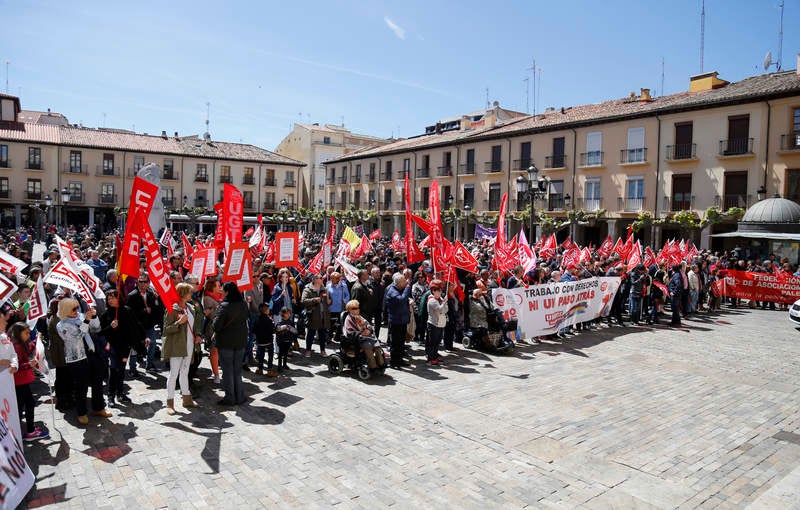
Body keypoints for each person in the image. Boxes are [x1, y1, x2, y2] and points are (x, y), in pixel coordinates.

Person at [55, 298, 111, 425]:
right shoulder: (61, 325)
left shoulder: (80, 316)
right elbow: (77, 336)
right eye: (73, 309)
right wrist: (86, 320)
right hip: (77, 358)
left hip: (91, 353)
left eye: (76, 307)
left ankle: (99, 408)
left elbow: (96, 328)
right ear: (65, 310)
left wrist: (94, 316)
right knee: (82, 386)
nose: (76, 311)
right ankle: (82, 412)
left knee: (97, 382)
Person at [162, 283, 203, 414]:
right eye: (189, 292)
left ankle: (187, 398)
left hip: (189, 345)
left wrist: (197, 335)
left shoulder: (190, 307)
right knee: (174, 374)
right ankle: (170, 402)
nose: (192, 294)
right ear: (183, 293)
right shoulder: (172, 309)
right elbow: (166, 330)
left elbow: (194, 325)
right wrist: (179, 322)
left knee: (185, 372)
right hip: (177, 346)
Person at [99, 289, 145, 407]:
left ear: (118, 298)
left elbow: (136, 325)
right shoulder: (106, 315)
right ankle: (110, 396)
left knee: (121, 370)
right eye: (108, 299)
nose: (110, 301)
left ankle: (120, 393)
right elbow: (100, 332)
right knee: (114, 370)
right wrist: (111, 326)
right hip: (113, 347)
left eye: (112, 298)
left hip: (125, 347)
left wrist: (144, 338)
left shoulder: (127, 310)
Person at [8, 323, 49, 441]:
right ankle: (26, 432)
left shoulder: (19, 344)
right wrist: (29, 364)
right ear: (18, 333)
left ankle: (26, 430)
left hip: (22, 381)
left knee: (26, 405)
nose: (28, 335)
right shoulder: (16, 346)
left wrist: (36, 340)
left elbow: (27, 350)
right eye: (26, 333)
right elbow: (16, 366)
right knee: (24, 406)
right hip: (19, 381)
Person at [213, 282, 249, 406]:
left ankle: (230, 397)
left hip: (226, 343)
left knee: (228, 371)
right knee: (237, 370)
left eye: (223, 289)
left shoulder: (224, 306)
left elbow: (216, 326)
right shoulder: (243, 304)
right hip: (240, 341)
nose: (221, 291)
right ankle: (239, 396)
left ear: (227, 292)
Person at [127, 275, 165, 373]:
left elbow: (156, 308)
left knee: (152, 344)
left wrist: (156, 299)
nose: (143, 284)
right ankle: (132, 368)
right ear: (137, 282)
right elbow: (129, 312)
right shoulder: (132, 295)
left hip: (149, 324)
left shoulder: (151, 293)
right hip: (137, 326)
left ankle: (149, 365)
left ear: (148, 283)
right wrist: (143, 311)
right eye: (141, 281)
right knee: (135, 347)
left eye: (145, 282)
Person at [343, 300, 385, 372]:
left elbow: (368, 325)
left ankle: (381, 364)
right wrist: (361, 333)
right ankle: (373, 366)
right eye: (354, 308)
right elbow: (349, 332)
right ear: (350, 310)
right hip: (358, 339)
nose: (357, 309)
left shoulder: (359, 317)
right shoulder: (348, 319)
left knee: (377, 346)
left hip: (367, 336)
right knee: (368, 345)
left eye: (357, 308)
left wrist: (368, 330)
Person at [384, 273, 412, 369]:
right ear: (399, 282)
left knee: (401, 342)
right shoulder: (392, 291)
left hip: (402, 320)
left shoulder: (400, 289)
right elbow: (401, 300)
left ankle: (399, 360)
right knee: (395, 343)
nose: (406, 282)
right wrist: (408, 288)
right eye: (404, 281)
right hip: (396, 321)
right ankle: (394, 361)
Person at [301, 274, 330, 357]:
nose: (321, 279)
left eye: (321, 278)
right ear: (313, 279)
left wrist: (328, 300)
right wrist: (314, 300)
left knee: (322, 334)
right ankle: (308, 350)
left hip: (323, 314)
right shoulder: (308, 289)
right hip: (312, 314)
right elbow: (303, 301)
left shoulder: (324, 289)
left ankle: (323, 350)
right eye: (319, 278)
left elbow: (328, 302)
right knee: (311, 333)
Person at [202, 279, 223, 384]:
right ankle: (216, 375)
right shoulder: (207, 298)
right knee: (214, 351)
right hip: (212, 327)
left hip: (222, 326)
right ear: (212, 287)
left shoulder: (220, 296)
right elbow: (209, 313)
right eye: (218, 285)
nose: (220, 287)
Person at [425, 280, 448, 365]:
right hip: (433, 324)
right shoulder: (432, 300)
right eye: (439, 290)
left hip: (440, 323)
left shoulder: (439, 299)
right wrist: (444, 302)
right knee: (432, 342)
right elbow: (440, 309)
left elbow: (445, 310)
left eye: (441, 290)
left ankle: (435, 356)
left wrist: (443, 304)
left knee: (437, 342)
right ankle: (430, 359)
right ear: (434, 291)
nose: (441, 292)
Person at [325, 272, 350, 344]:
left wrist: (344, 301)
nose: (331, 280)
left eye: (333, 278)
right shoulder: (328, 286)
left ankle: (337, 337)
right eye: (331, 278)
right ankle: (329, 337)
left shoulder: (343, 286)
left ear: (338, 279)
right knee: (330, 324)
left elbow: (347, 295)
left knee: (340, 324)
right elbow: (326, 296)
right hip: (331, 308)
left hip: (340, 308)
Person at [253, 302, 276, 376]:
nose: (269, 310)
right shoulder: (268, 320)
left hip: (260, 341)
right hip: (268, 341)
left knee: (261, 355)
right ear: (266, 310)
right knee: (270, 355)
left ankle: (260, 369)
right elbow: (272, 330)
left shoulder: (257, 319)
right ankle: (269, 370)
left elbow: (254, 330)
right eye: (268, 309)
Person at [275, 307, 297, 371]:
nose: (288, 314)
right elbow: (277, 330)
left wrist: (294, 340)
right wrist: (284, 328)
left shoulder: (291, 322)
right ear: (283, 314)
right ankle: (279, 366)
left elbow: (295, 331)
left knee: (286, 353)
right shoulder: (280, 322)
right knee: (281, 353)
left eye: (289, 313)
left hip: (288, 340)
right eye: (287, 313)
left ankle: (284, 364)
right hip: (281, 341)